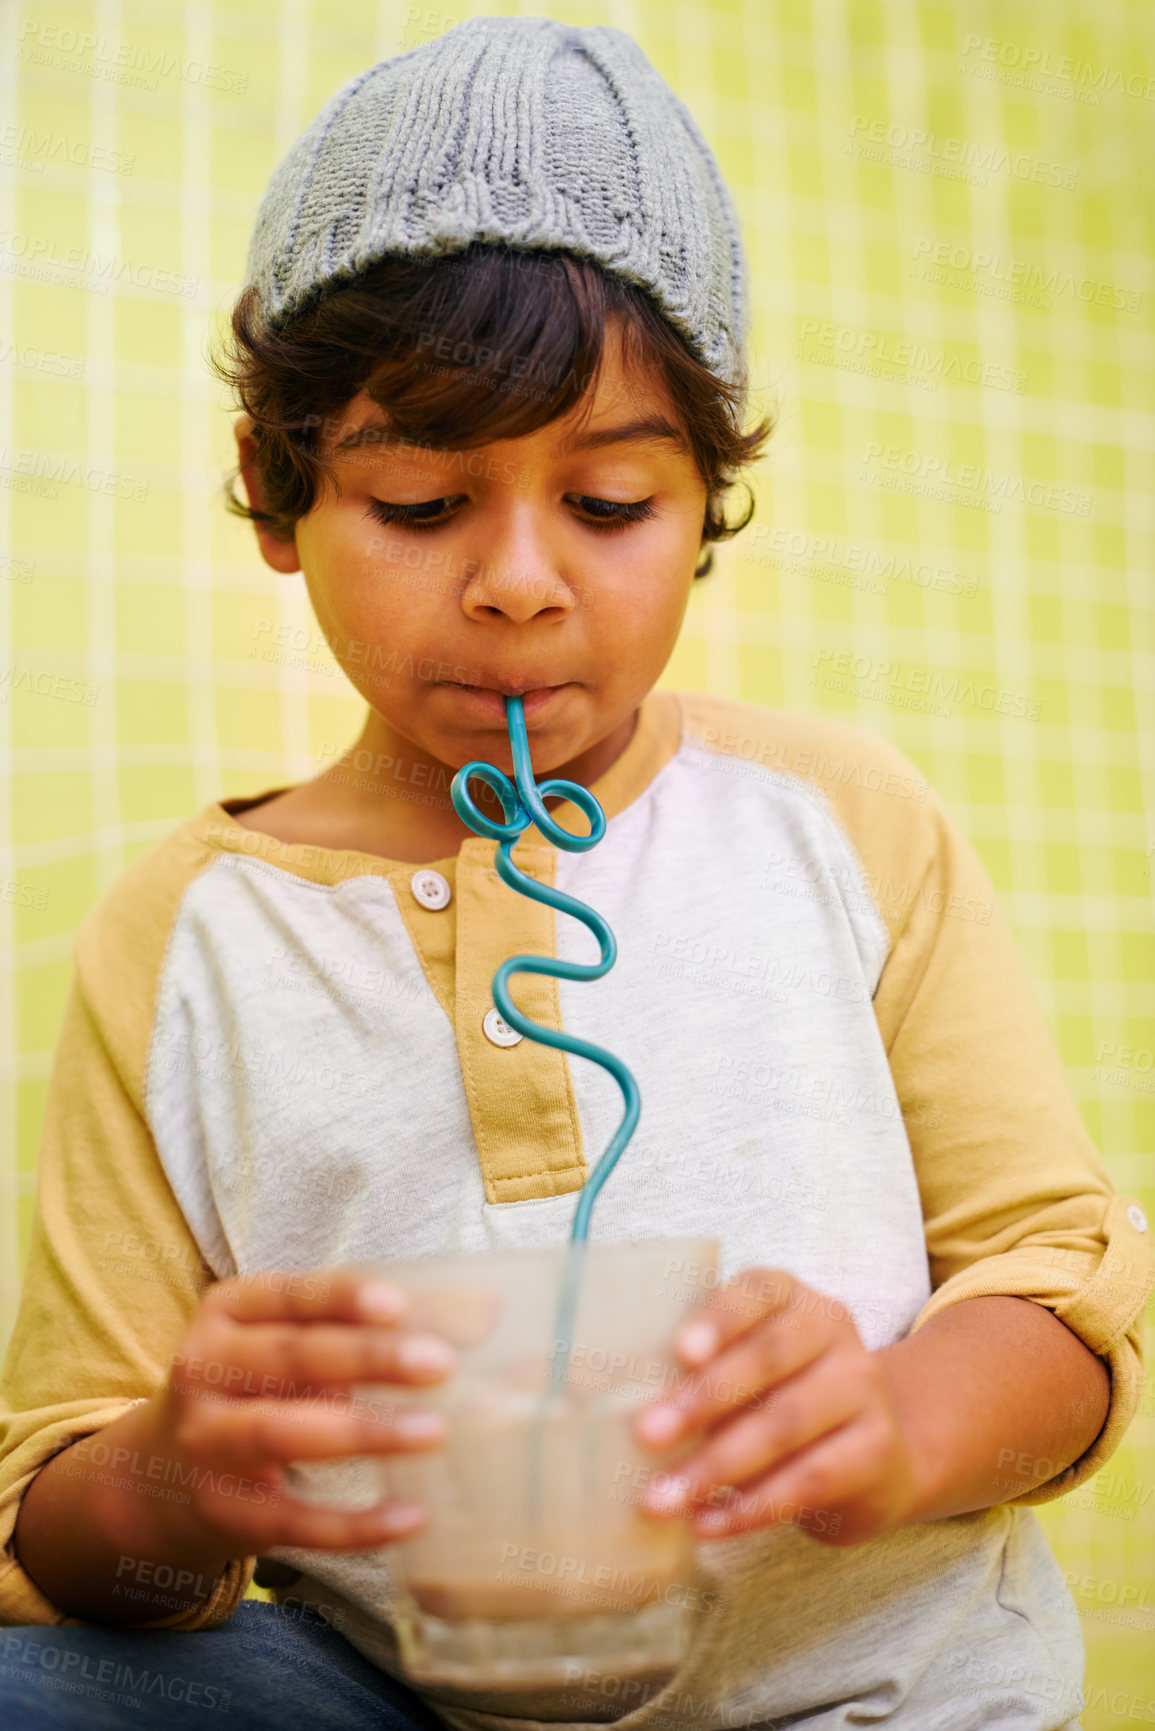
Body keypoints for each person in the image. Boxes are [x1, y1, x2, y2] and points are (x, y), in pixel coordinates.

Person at [1, 16, 1152, 1731]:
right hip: (399, 1695)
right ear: (275, 489)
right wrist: (178, 1483)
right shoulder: (183, 940)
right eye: (421, 503)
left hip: (882, 1700)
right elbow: (69, 1524)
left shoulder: (840, 818)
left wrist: (900, 1428)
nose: (522, 585)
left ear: (706, 508)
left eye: (608, 503)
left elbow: (1065, 1288)